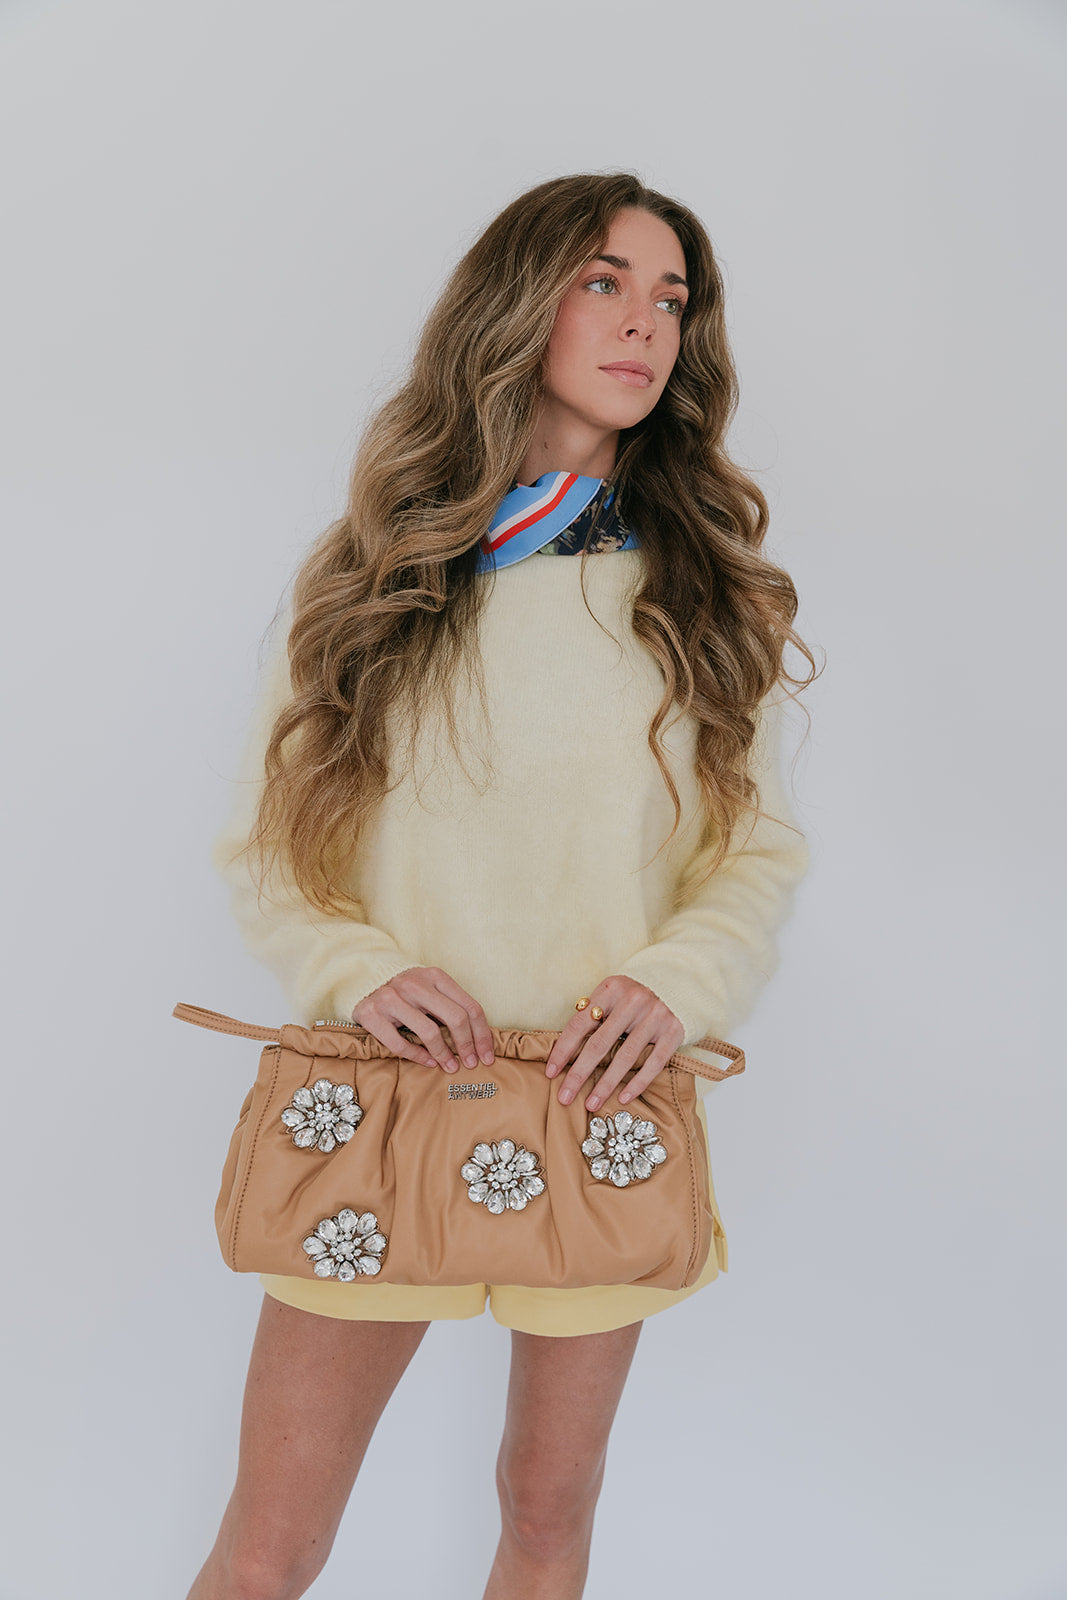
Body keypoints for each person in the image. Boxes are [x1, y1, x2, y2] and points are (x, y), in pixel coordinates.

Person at [188, 171, 816, 1600]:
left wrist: (673, 986)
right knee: (270, 1541)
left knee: (548, 1513)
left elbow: (755, 849)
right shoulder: (374, 579)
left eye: (672, 298)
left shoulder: (708, 595)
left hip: (607, 1099)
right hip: (383, 1101)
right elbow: (269, 847)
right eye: (606, 280)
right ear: (515, 300)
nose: (646, 323)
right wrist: (359, 974)